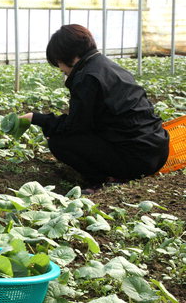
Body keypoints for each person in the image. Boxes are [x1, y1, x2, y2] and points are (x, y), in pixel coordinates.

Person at [21, 24, 169, 191]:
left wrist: (38, 118)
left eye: (59, 62)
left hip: (135, 160)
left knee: (59, 142)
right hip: (158, 151)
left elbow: (75, 127)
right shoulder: (107, 66)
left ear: (71, 56)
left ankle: (102, 180)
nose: (61, 69)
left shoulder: (86, 77)